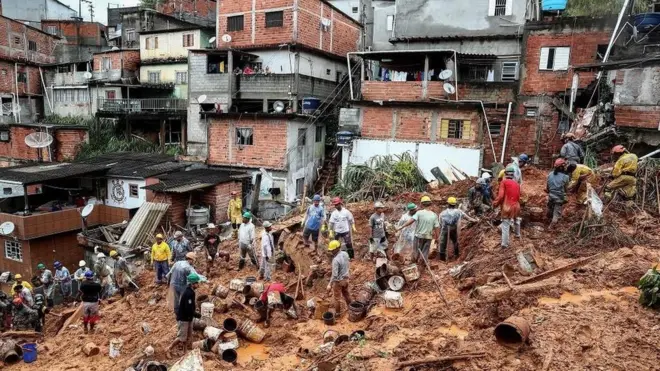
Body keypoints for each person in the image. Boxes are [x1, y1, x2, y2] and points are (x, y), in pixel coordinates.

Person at [166, 273, 202, 358]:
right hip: (184, 319)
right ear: (193, 283)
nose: (198, 284)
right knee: (181, 337)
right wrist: (197, 315)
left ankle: (185, 352)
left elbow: (191, 307)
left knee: (188, 336)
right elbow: (188, 309)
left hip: (188, 318)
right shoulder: (188, 293)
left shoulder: (191, 291)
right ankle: (169, 348)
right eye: (197, 283)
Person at [396, 196, 439, 265]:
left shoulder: (419, 213)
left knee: (416, 251)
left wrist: (401, 226)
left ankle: (414, 264)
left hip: (418, 236)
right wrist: (437, 237)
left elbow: (411, 221)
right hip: (428, 237)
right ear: (430, 204)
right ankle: (422, 264)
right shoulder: (434, 215)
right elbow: (437, 227)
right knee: (425, 252)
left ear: (422, 204)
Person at [438, 197, 477, 261]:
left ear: (448, 204)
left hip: (445, 228)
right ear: (455, 204)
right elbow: (468, 218)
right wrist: (475, 220)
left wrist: (442, 228)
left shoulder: (442, 213)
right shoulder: (458, 212)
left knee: (442, 242)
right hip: (453, 228)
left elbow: (440, 223)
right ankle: (456, 255)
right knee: (455, 241)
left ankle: (442, 258)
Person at [493, 166, 522, 249]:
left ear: (505, 174)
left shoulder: (504, 182)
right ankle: (517, 235)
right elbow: (518, 196)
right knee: (517, 220)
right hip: (516, 206)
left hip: (507, 206)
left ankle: (504, 244)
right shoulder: (517, 184)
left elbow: (501, 196)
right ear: (513, 175)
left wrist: (495, 203)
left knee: (505, 225)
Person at [326, 240, 352, 315]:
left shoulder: (335, 260)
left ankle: (337, 313)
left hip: (339, 282)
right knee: (346, 294)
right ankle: (351, 308)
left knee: (337, 298)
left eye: (332, 250)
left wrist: (329, 284)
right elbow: (347, 263)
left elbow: (334, 275)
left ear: (337, 248)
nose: (331, 252)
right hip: (346, 279)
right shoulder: (345, 253)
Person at [546, 158, 570, 228]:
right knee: (556, 214)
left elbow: (547, 188)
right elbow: (566, 190)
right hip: (559, 198)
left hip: (551, 196)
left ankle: (549, 216)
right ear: (562, 167)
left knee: (550, 208)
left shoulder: (550, 174)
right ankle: (550, 227)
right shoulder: (566, 177)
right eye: (565, 166)